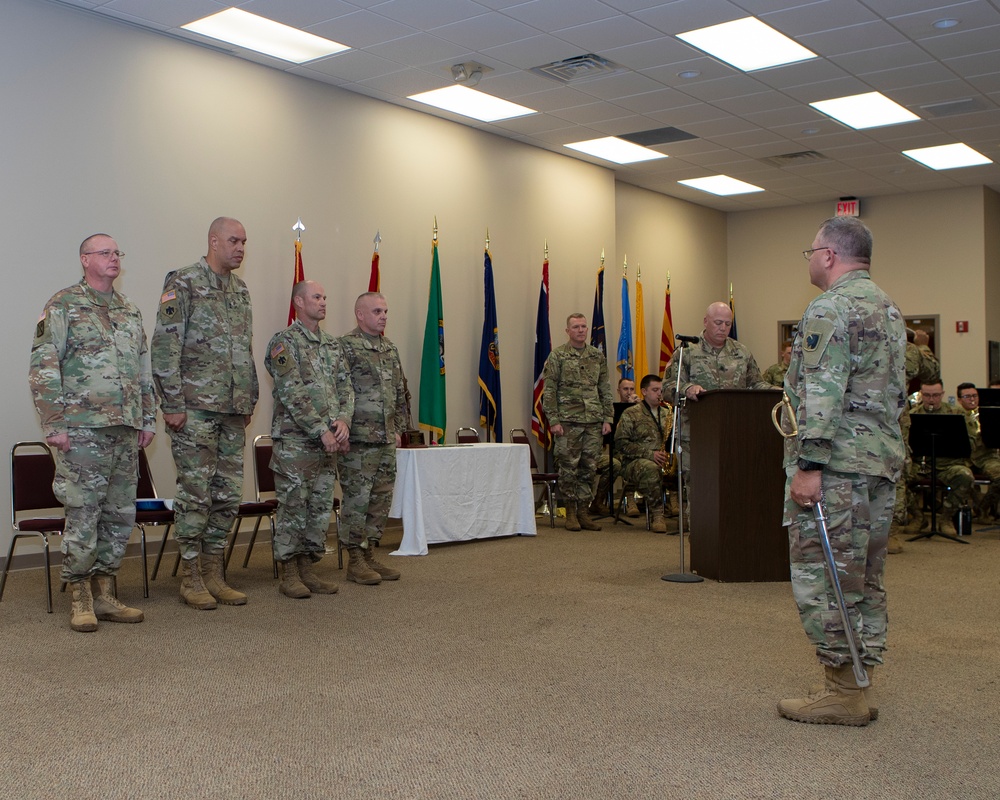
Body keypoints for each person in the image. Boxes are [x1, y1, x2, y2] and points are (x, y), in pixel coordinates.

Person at [778, 216, 905, 726]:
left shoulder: (828, 308)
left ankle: (841, 692)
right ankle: (859, 678)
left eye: (810, 251)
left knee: (825, 575)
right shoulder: (889, 309)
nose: (808, 259)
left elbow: (821, 395)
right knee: (865, 576)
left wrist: (809, 465)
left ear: (829, 255)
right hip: (878, 464)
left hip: (837, 469)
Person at [29, 234, 155, 631]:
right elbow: (44, 366)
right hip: (81, 430)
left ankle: (105, 593)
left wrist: (146, 418)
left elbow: (143, 370)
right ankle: (80, 596)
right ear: (85, 259)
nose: (114, 258)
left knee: (118, 514)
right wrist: (54, 424)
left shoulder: (129, 311)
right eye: (105, 253)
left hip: (123, 428)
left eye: (117, 253)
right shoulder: (63, 304)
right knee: (84, 511)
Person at [151, 217, 258, 610]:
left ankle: (215, 571)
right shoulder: (183, 282)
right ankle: (191, 575)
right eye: (233, 240)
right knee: (196, 494)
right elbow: (164, 347)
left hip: (232, 410)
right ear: (213, 241)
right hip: (194, 409)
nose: (240, 248)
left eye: (244, 241)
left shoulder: (241, 290)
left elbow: (244, 348)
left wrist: (248, 398)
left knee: (227, 495)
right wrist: (173, 403)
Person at [265, 281, 354, 598]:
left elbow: (346, 388)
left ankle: (307, 570)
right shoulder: (284, 343)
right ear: (299, 302)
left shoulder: (332, 345)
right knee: (294, 508)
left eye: (325, 297)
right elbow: (292, 392)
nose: (324, 302)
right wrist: (320, 430)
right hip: (296, 443)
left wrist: (344, 420)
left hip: (327, 444)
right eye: (317, 297)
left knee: (318, 509)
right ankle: (289, 574)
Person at [338, 292, 408, 585]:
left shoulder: (390, 349)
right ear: (360, 315)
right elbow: (340, 391)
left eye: (386, 311)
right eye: (377, 311)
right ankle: (355, 559)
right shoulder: (346, 347)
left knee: (380, 499)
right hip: (358, 441)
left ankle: (369, 554)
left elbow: (401, 392)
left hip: (386, 439)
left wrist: (399, 428)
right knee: (358, 500)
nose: (383, 316)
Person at [663, 301, 772, 475]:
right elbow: (667, 388)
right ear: (706, 321)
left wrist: (776, 391)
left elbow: (755, 384)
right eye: (718, 323)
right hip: (696, 434)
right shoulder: (687, 351)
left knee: (734, 483)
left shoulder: (741, 352)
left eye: (727, 324)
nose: (723, 328)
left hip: (734, 431)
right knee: (699, 488)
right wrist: (688, 388)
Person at [541, 313, 613, 532]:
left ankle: (584, 511)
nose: (581, 330)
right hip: (567, 421)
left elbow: (605, 388)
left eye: (584, 326)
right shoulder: (558, 356)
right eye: (576, 327)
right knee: (568, 467)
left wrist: (608, 418)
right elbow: (549, 390)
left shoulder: (596, 356)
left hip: (593, 420)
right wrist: (553, 420)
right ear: (568, 331)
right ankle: (570, 511)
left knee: (589, 467)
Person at [911, 380, 975, 532]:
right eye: (926, 395)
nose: (931, 399)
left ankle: (945, 518)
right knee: (895, 478)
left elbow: (970, 442)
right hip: (920, 465)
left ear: (942, 394)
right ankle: (918, 517)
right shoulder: (912, 415)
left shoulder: (956, 414)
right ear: (921, 395)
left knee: (965, 475)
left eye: (936, 395)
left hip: (948, 465)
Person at [614, 374, 673, 532]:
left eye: (661, 390)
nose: (659, 394)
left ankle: (687, 514)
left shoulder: (668, 413)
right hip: (635, 462)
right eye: (655, 390)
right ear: (644, 391)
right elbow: (621, 443)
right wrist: (650, 454)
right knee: (650, 468)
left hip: (663, 459)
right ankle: (657, 514)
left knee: (688, 466)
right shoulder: (631, 413)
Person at [591, 377, 637, 516]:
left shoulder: (640, 408)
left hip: (638, 448)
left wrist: (638, 408)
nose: (629, 392)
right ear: (618, 391)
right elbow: (612, 435)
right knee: (623, 460)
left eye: (631, 389)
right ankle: (629, 499)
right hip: (619, 449)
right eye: (625, 389)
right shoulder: (612, 410)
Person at [956, 383, 1000, 520]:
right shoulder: (955, 415)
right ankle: (975, 506)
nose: (972, 399)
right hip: (964, 458)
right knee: (962, 476)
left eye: (974, 396)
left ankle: (982, 507)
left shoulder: (990, 414)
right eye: (967, 396)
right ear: (959, 399)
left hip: (986, 456)